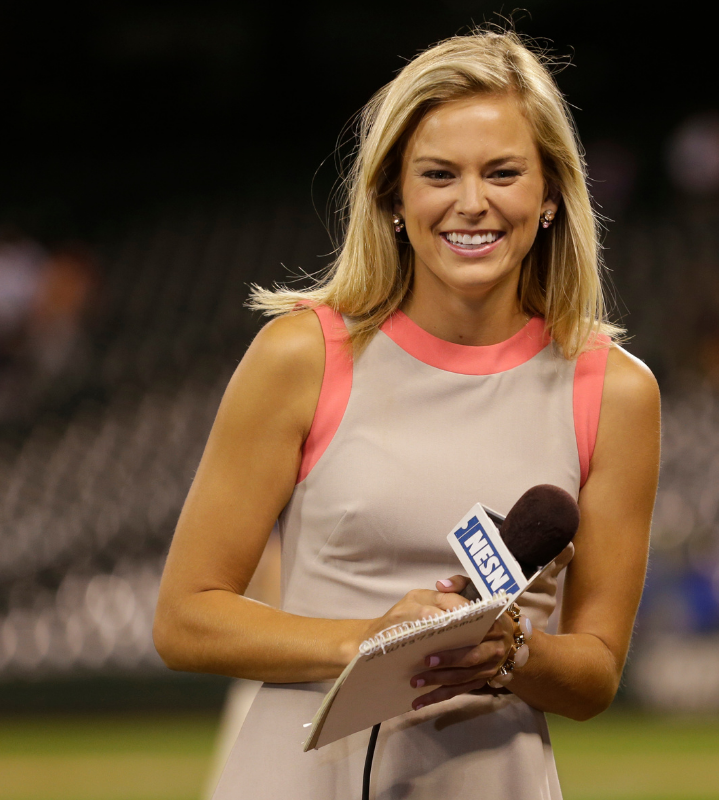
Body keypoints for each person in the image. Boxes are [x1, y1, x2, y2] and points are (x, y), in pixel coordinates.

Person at [152, 29, 660, 799]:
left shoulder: (615, 390)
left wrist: (513, 651)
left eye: (502, 173)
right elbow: (186, 620)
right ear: (393, 197)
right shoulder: (300, 355)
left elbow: (595, 674)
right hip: (299, 775)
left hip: (495, 775)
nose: (471, 202)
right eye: (438, 174)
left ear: (551, 195)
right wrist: (372, 641)